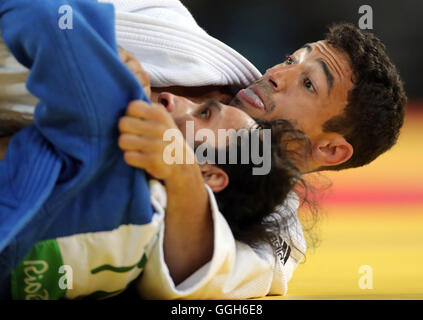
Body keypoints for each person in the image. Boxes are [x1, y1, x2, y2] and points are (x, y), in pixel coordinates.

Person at [0, 0, 308, 300]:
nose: (276, 73)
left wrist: (107, 75)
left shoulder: (117, 120)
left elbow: (40, 13)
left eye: (310, 84)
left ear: (332, 149)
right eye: (291, 60)